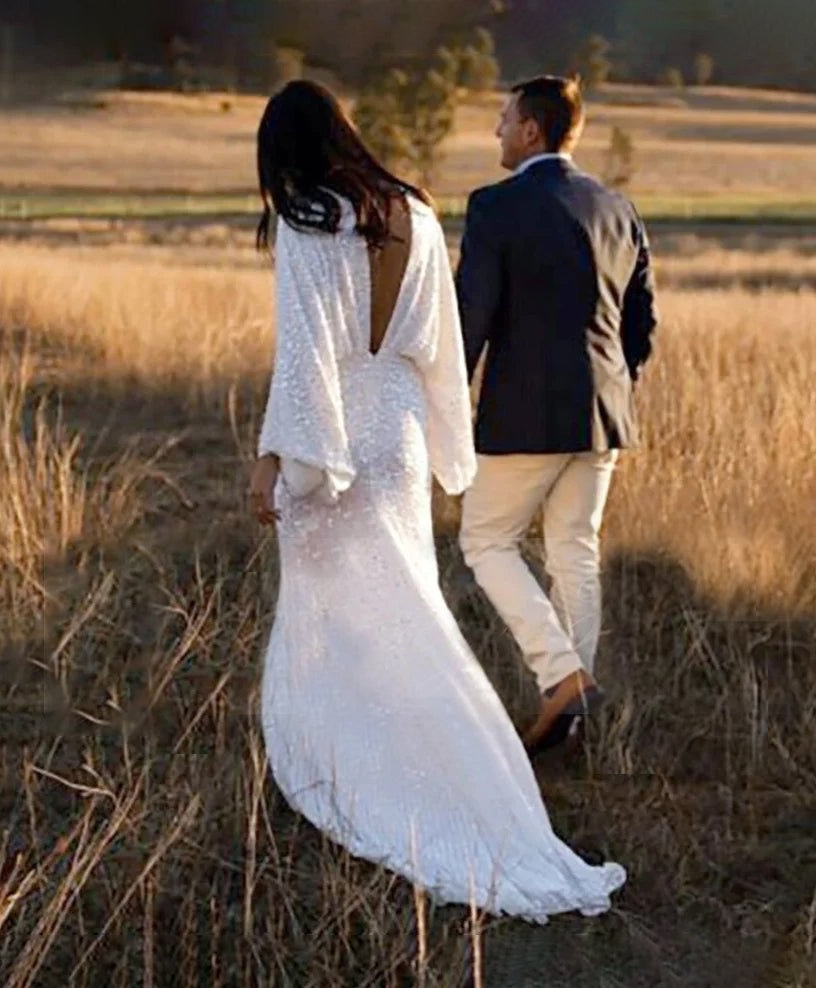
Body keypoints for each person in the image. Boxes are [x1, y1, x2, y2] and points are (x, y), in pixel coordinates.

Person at [247, 80, 625, 921]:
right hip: (401, 430)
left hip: (337, 425)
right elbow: (444, 347)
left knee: (335, 610)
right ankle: (459, 771)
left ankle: (351, 767)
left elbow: (306, 354)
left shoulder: (309, 220)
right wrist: (445, 444)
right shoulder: (413, 211)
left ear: (287, 152)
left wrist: (283, 460)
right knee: (408, 606)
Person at [456, 76, 657, 758]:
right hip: (603, 412)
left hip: (523, 414)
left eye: (503, 119)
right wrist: (610, 385)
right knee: (576, 552)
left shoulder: (494, 207)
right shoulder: (618, 206)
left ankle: (562, 678)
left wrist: (447, 402)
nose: (496, 131)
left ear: (531, 131)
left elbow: (470, 318)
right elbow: (641, 325)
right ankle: (574, 716)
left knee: (485, 542)